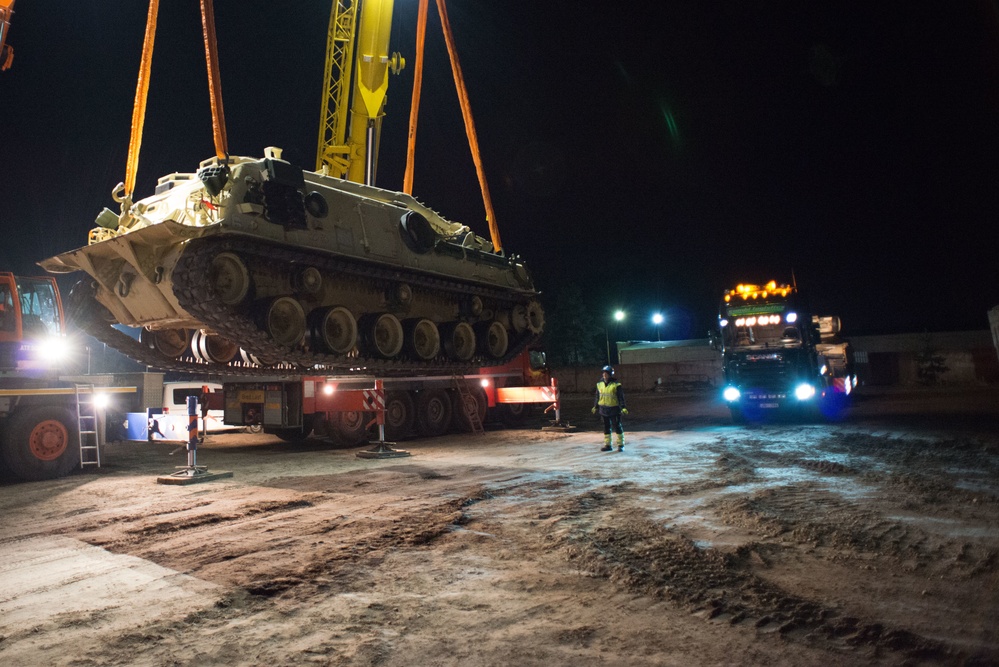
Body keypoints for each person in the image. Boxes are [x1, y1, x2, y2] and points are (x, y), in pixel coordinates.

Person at [592, 365, 628, 452]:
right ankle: (608, 445)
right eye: (603, 373)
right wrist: (595, 406)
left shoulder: (616, 385)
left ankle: (621, 445)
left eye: (606, 373)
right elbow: (597, 396)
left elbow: (620, 397)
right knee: (606, 427)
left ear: (610, 374)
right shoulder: (599, 384)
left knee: (617, 426)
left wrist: (623, 407)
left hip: (614, 409)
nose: (604, 374)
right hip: (603, 409)